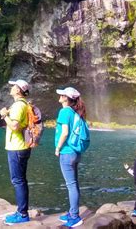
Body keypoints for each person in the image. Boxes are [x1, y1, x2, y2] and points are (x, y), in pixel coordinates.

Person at [0, 79, 31, 225]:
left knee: (18, 181)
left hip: (17, 147)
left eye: (13, 86)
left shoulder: (19, 105)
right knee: (21, 180)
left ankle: (22, 214)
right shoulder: (23, 104)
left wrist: (4, 115)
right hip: (21, 146)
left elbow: (15, 126)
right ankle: (21, 211)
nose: (11, 87)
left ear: (18, 90)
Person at [55, 86, 87, 228]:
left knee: (71, 185)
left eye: (62, 94)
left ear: (66, 98)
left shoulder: (64, 111)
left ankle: (75, 216)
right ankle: (71, 211)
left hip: (67, 152)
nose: (60, 96)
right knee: (74, 183)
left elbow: (65, 133)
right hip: (76, 152)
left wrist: (58, 148)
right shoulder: (75, 112)